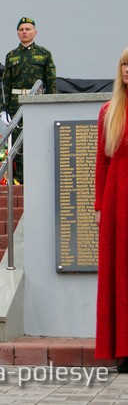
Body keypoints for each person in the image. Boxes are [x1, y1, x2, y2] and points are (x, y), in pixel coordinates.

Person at [94, 48, 128, 373]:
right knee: (119, 272)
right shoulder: (109, 111)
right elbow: (102, 162)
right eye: (125, 65)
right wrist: (100, 205)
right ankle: (123, 349)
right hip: (118, 197)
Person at [0, 16, 57, 181]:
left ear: (35, 32)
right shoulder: (11, 56)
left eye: (28, 29)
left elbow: (51, 81)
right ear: (18, 33)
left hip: (37, 104)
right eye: (21, 30)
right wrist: (3, 109)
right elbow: (6, 84)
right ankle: (20, 184)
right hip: (16, 106)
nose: (24, 32)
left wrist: (51, 105)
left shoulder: (44, 54)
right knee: (18, 146)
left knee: (37, 143)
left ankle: (37, 180)